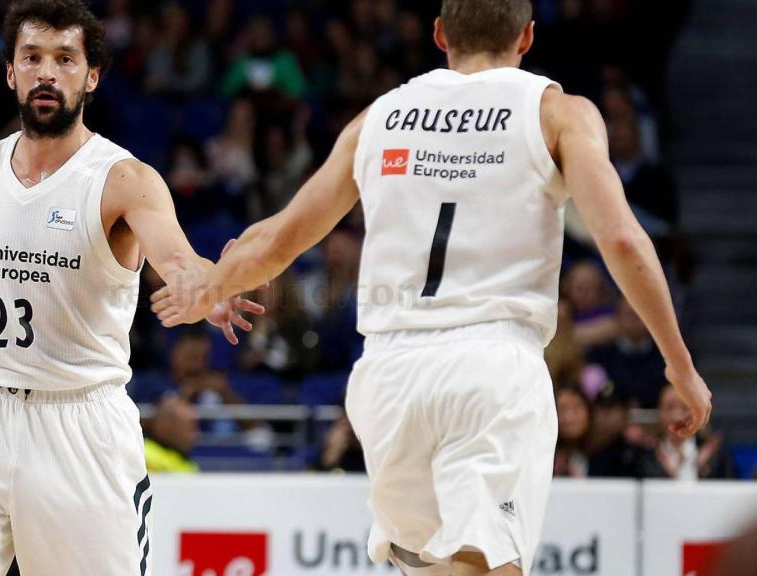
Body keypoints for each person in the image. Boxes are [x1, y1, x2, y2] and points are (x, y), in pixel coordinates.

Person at [152, 1, 712, 574]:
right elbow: (621, 240)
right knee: (483, 564)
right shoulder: (558, 113)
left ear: (440, 33)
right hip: (490, 366)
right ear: (527, 37)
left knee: (431, 566)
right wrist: (680, 365)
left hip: (389, 373)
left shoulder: (379, 117)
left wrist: (212, 283)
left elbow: (278, 238)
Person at [0, 1, 262, 574]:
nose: (47, 72)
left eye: (65, 58)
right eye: (32, 57)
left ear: (91, 76)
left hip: (77, 426)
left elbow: (177, 257)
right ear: (10, 72)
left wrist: (206, 287)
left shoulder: (123, 178)